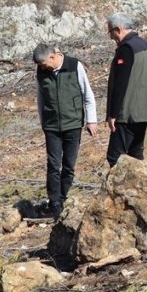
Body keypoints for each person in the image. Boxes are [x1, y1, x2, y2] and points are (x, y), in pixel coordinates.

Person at [33, 43, 97, 218]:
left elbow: (87, 94)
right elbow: (40, 98)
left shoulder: (74, 66)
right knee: (53, 166)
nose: (43, 68)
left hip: (73, 124)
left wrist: (91, 120)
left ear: (53, 57)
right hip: (52, 126)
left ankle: (62, 197)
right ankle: (54, 204)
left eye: (44, 64)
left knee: (69, 166)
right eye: (40, 66)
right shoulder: (41, 72)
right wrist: (43, 122)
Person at [104, 13, 147, 167]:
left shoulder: (127, 48)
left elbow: (121, 84)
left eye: (111, 32)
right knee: (136, 153)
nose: (111, 37)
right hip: (146, 110)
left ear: (118, 29)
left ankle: (117, 190)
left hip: (129, 113)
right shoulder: (145, 44)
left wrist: (113, 114)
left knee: (114, 156)